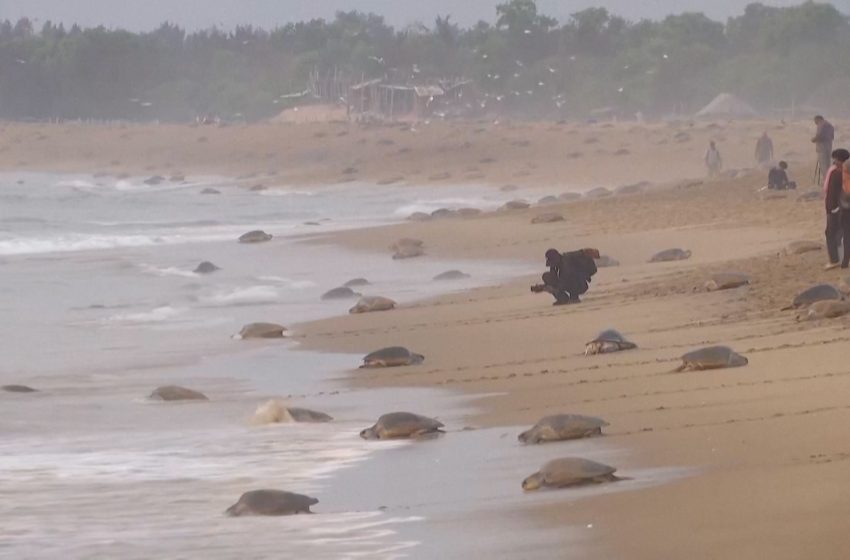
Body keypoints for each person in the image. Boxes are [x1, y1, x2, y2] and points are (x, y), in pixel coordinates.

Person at [531, 248, 598, 305]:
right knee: (547, 276)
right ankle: (562, 299)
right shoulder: (555, 265)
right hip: (569, 282)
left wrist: (552, 289)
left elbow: (564, 280)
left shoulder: (567, 261)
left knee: (571, 276)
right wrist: (544, 287)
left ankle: (574, 297)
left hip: (580, 285)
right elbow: (553, 278)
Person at [823, 148, 850, 270]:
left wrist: (832, 208)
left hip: (835, 208)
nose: (834, 161)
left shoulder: (837, 173)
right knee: (840, 233)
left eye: (836, 159)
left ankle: (835, 260)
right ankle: (841, 258)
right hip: (841, 207)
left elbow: (832, 193)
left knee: (831, 233)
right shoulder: (843, 172)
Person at [812, 115, 835, 185]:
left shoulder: (821, 124)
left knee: (823, 165)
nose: (815, 122)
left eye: (815, 121)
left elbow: (819, 135)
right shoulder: (830, 125)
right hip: (829, 146)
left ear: (818, 119)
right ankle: (830, 179)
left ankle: (826, 181)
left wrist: (814, 139)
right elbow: (832, 137)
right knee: (828, 164)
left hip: (822, 148)